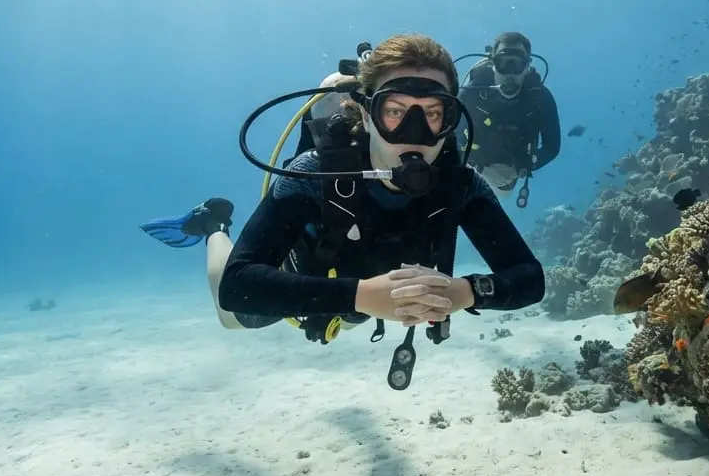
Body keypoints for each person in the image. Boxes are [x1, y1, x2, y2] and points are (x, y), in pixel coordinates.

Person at [140, 34, 545, 387]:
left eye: (433, 114)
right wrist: (360, 295)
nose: (415, 134)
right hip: (307, 277)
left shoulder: (460, 185)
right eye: (395, 112)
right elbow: (237, 286)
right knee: (233, 317)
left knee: (351, 318)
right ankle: (214, 222)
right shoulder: (314, 173)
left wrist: (466, 292)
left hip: (360, 300)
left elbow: (529, 279)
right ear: (367, 115)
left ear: (450, 121)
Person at [458, 31, 561, 207]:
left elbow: (552, 146)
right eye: (504, 63)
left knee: (502, 194)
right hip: (474, 165)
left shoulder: (540, 98)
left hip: (511, 172)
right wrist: (468, 165)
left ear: (527, 66)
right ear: (492, 63)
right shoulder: (470, 95)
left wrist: (524, 167)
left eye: (517, 63)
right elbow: (451, 137)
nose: (510, 73)